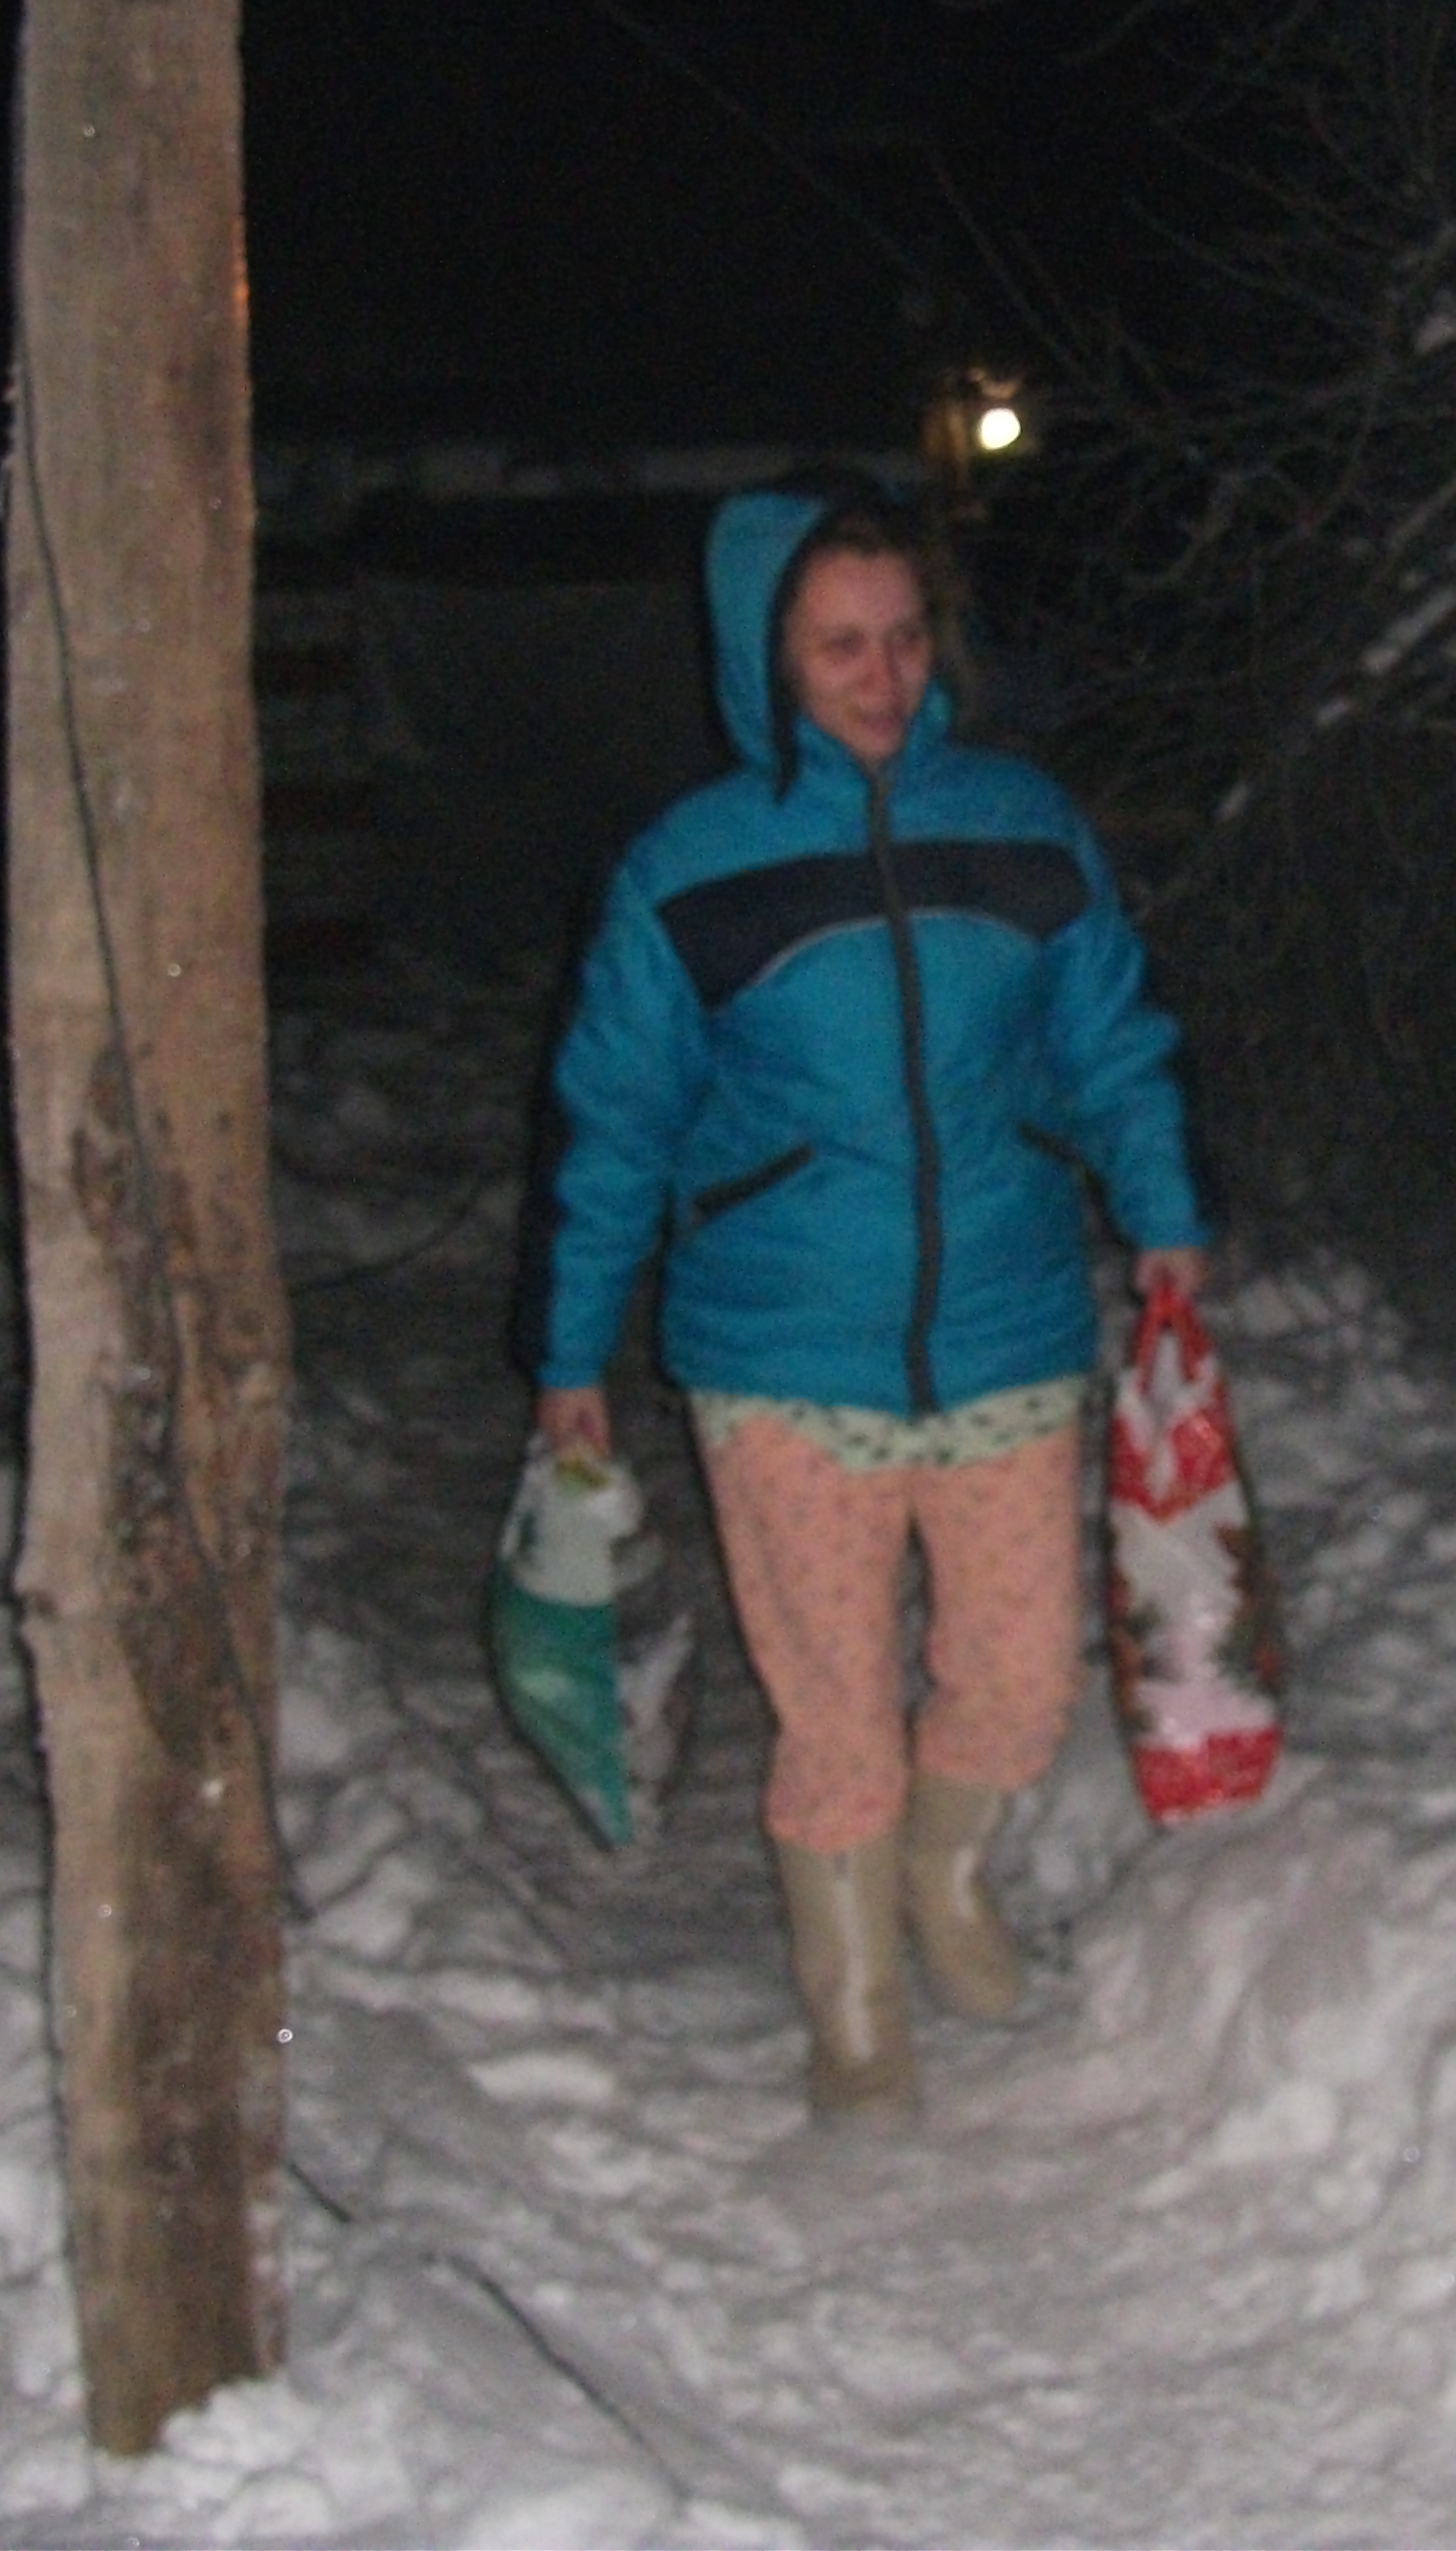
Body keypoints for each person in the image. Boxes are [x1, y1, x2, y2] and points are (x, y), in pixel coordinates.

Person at [528, 475, 1208, 2118]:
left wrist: (1166, 1210)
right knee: (836, 1711)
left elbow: (1110, 1040)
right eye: (839, 646)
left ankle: (940, 1877)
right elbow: (614, 1121)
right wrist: (567, 1345)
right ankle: (854, 2010)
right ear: (766, 657)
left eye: (904, 638)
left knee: (1021, 1677)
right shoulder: (691, 868)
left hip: (1007, 1326)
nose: (881, 676)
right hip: (783, 1353)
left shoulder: (1023, 825)